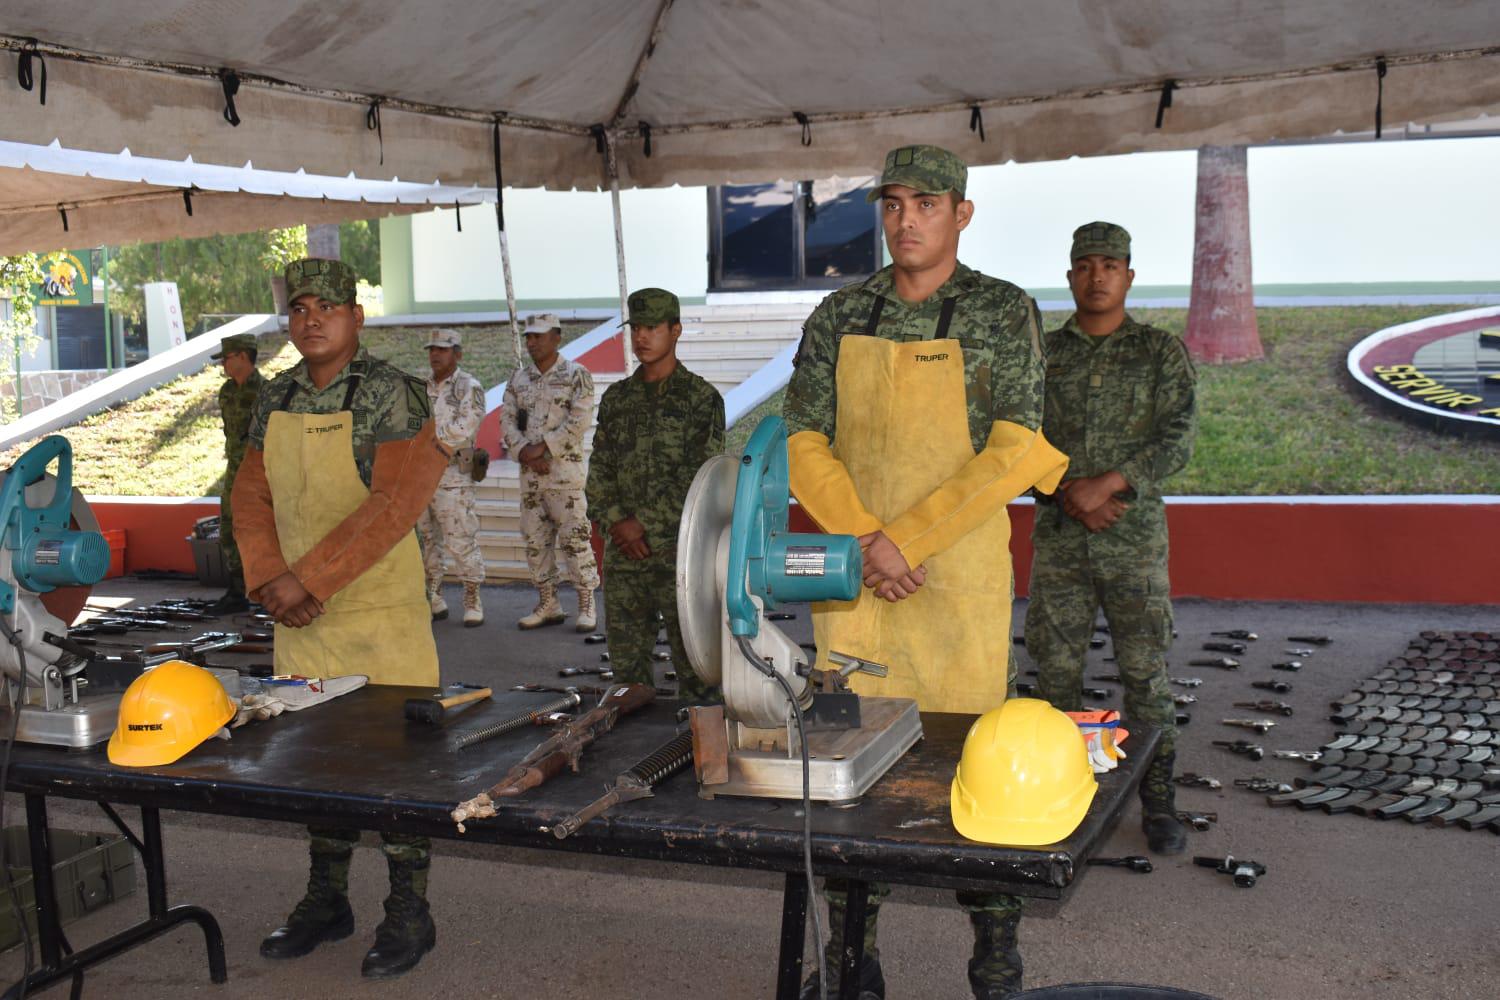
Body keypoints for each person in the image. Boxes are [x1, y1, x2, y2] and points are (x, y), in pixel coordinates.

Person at [783, 145, 1068, 999]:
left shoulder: (999, 310)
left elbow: (1015, 448)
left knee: (978, 767)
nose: (907, 220)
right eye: (895, 203)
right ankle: (851, 955)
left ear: (962, 215)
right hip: (858, 578)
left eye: (928, 205)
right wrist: (869, 538)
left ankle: (994, 957)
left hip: (954, 579)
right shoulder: (842, 312)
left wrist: (909, 539)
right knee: (849, 775)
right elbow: (802, 438)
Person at [230, 258, 450, 979]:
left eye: (328, 307)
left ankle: (409, 912)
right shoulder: (275, 396)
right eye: (298, 308)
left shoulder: (394, 394)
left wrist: (307, 578)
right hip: (300, 616)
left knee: (396, 767)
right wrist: (268, 578)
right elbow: (250, 494)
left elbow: (394, 504)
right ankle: (327, 900)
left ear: (357, 318)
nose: (311, 318)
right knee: (312, 761)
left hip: (378, 612)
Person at [1026, 222, 1197, 856]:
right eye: (1085, 265)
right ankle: (1061, 795)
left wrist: (1111, 484)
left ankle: (1159, 805)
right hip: (1063, 541)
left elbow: (1178, 436)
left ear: (1129, 275)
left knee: (1146, 675)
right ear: (1071, 276)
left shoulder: (1159, 351)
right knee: (1056, 680)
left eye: (1110, 265)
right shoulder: (1045, 353)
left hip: (1133, 541)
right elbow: (1018, 437)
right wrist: (1072, 491)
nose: (1097, 276)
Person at [585, 289, 723, 701]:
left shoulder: (701, 399)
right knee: (628, 681)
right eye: (636, 328)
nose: (641, 337)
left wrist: (640, 523)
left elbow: (700, 477)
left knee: (699, 676)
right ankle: (633, 760)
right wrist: (617, 523)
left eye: (652, 328)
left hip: (680, 556)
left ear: (675, 330)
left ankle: (703, 763)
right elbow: (599, 471)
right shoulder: (617, 399)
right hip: (625, 559)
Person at [500, 312, 601, 631]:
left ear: (556, 337)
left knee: (575, 543)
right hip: (532, 481)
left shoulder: (576, 375)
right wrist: (526, 455)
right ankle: (548, 603)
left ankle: (586, 603)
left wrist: (542, 448)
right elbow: (506, 421)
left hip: (565, 480)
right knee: (535, 543)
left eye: (538, 336)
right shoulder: (518, 379)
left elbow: (579, 420)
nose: (532, 342)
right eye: (528, 336)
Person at [417, 328, 489, 626]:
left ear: (457, 354)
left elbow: (465, 428)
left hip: (453, 478)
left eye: (443, 349)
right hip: (420, 476)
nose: (435, 354)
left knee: (460, 539)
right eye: (432, 349)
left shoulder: (468, 387)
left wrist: (427, 444)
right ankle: (433, 595)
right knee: (426, 539)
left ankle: (472, 597)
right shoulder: (420, 387)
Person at [210, 333, 264, 615]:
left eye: (226, 358)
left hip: (262, 474)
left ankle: (270, 591)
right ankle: (236, 590)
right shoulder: (227, 392)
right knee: (229, 530)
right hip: (235, 471)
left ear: (243, 356)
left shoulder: (267, 392)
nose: (223, 365)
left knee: (265, 531)